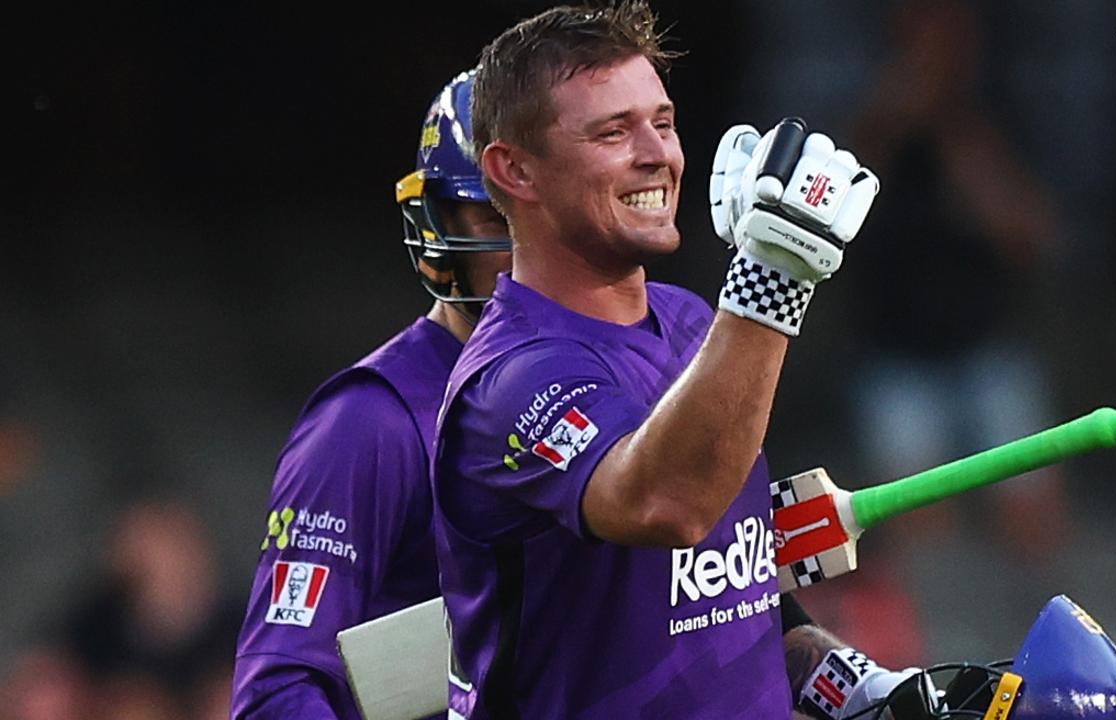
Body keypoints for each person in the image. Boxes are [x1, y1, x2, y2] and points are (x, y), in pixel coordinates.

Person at [431, 3, 911, 717]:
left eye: (662, 121)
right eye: (614, 132)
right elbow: (671, 504)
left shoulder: (695, 323)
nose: (659, 154)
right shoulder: (508, 382)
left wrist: (855, 686)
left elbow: (734, 596)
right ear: (515, 170)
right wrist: (770, 285)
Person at [231, 69, 511, 719]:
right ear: (440, 223)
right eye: (495, 213)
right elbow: (277, 693)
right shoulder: (370, 422)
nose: (527, 238)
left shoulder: (636, 372)